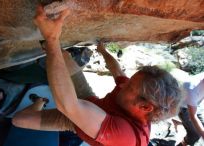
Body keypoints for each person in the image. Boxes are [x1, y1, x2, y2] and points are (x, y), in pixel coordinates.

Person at [12, 5, 182, 146]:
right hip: (91, 101)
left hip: (78, 122)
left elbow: (69, 107)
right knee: (62, 56)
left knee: (19, 120)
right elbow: (117, 70)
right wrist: (102, 50)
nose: (123, 85)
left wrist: (51, 39)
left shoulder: (125, 138)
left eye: (130, 86)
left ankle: (40, 101)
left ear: (145, 107)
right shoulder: (136, 94)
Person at [177, 72, 204, 146]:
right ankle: (183, 144)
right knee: (195, 135)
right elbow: (193, 117)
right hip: (183, 108)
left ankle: (178, 123)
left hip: (196, 103)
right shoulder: (191, 88)